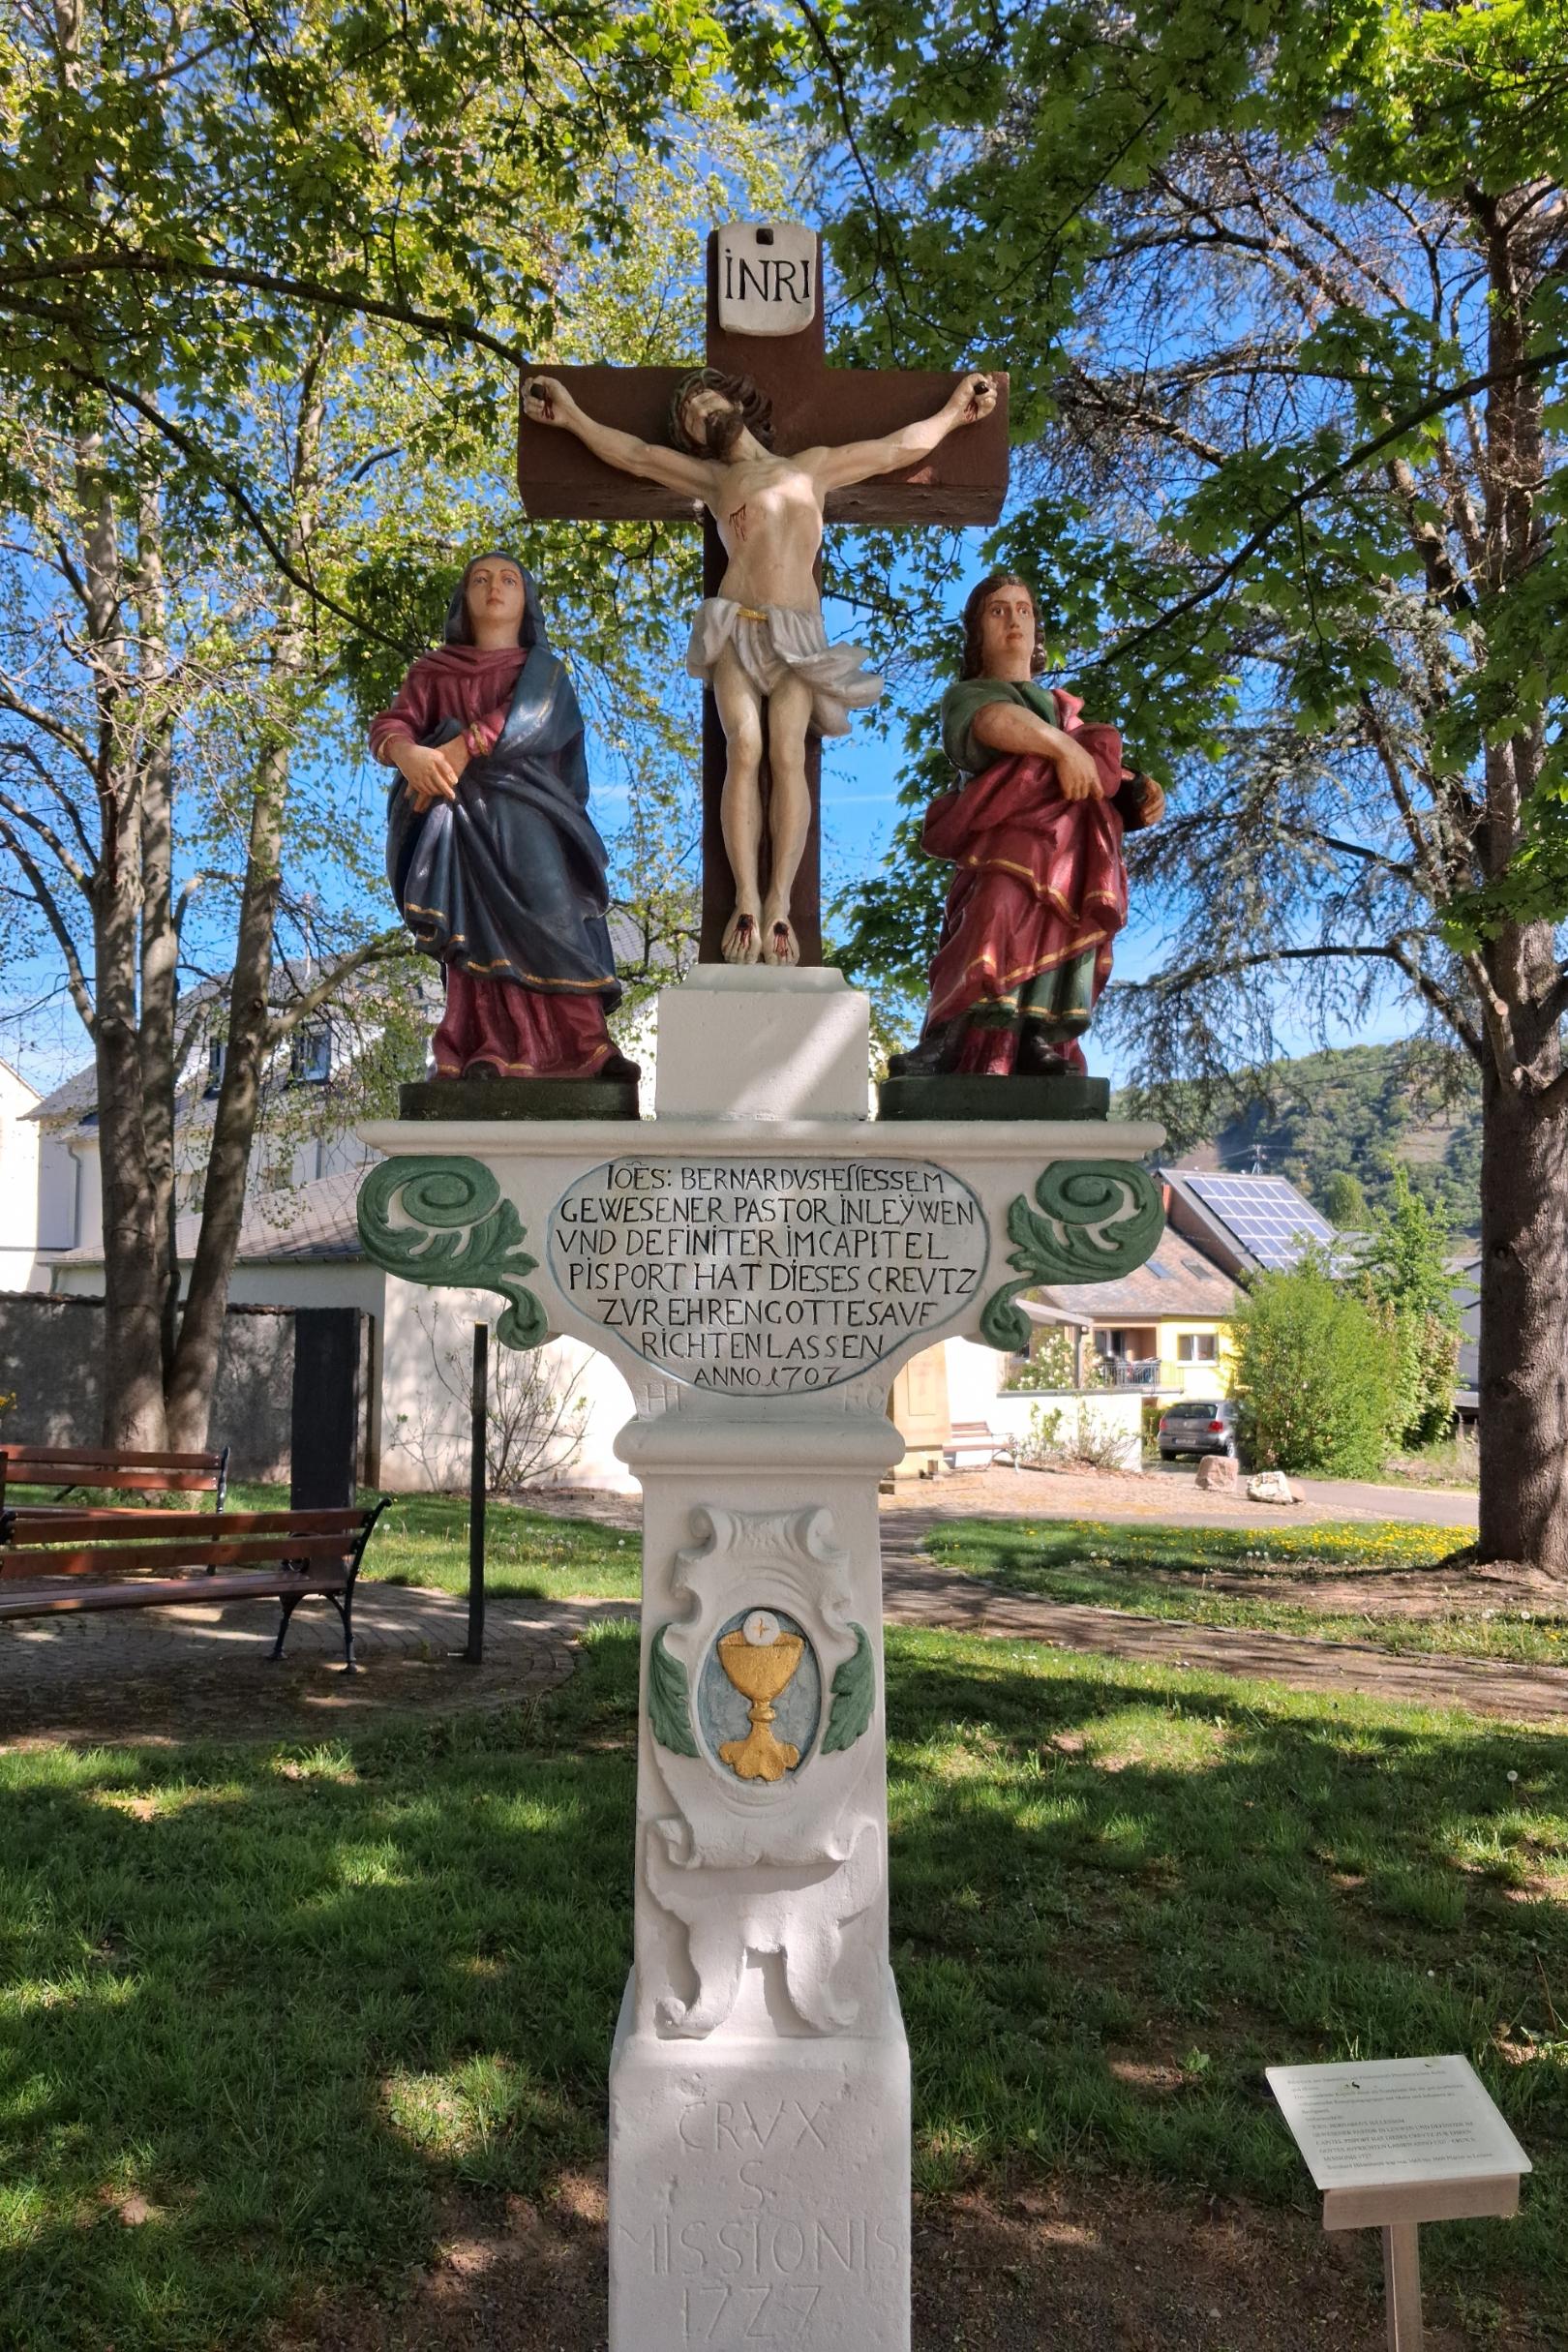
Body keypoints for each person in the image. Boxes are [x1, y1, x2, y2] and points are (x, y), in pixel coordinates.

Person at [522, 364, 998, 968]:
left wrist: (957, 411)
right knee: (743, 749)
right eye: (691, 419)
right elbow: (638, 456)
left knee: (785, 754)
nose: (701, 416)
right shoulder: (717, 481)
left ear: (736, 399)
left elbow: (894, 448)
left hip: (797, 635)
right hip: (736, 628)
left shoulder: (811, 467)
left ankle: (779, 905)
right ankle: (745, 897)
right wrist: (573, 418)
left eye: (705, 401)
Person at [370, 552, 635, 1084]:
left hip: (530, 812)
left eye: (509, 579)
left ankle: (586, 1045)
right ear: (464, 599)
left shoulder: (544, 674)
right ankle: (483, 1047)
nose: (495, 587)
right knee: (473, 932)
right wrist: (408, 754)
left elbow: (534, 722)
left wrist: (466, 744)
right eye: (481, 580)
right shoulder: (432, 672)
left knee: (553, 913)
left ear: (525, 600)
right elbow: (392, 724)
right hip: (458, 817)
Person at [891, 572, 1166, 1079]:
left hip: (1071, 852)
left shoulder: (1066, 712)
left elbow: (1102, 773)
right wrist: (1062, 749)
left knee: (1067, 927)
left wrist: (1141, 790)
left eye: (1023, 609)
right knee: (991, 914)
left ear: (1037, 627)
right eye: (997, 610)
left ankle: (1039, 1034)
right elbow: (993, 724)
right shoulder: (970, 695)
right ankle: (950, 1033)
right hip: (1006, 840)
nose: (1013, 619)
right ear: (977, 631)